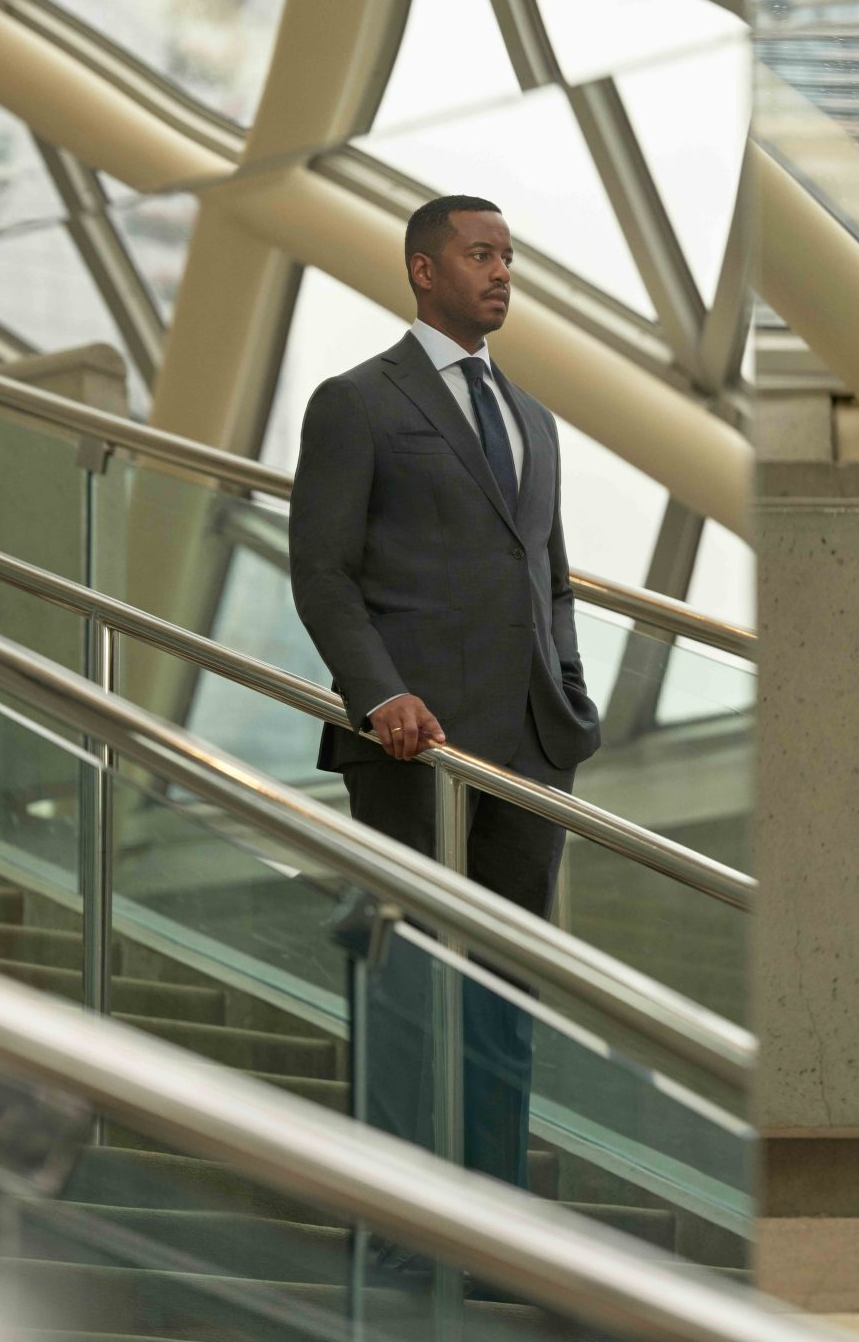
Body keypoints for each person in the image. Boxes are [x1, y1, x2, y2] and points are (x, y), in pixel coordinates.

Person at [288, 193, 601, 1192]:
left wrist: (570, 694)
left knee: (508, 995)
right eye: (479, 253)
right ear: (425, 270)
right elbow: (323, 572)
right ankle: (396, 1223)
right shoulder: (359, 400)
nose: (500, 270)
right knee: (409, 983)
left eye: (508, 254)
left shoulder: (536, 420)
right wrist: (379, 694)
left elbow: (549, 576)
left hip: (531, 747)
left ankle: (496, 1225)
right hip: (412, 743)